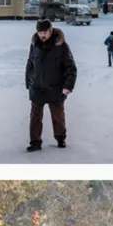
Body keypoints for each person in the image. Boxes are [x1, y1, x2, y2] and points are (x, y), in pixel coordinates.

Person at [25, 19, 77, 151]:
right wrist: (28, 81)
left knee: (58, 116)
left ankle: (61, 138)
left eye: (45, 32)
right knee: (35, 117)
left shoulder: (62, 46)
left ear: (51, 31)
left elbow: (71, 68)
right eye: (39, 32)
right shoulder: (34, 45)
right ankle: (35, 142)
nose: (42, 35)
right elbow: (30, 64)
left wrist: (68, 86)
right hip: (37, 88)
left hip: (56, 88)